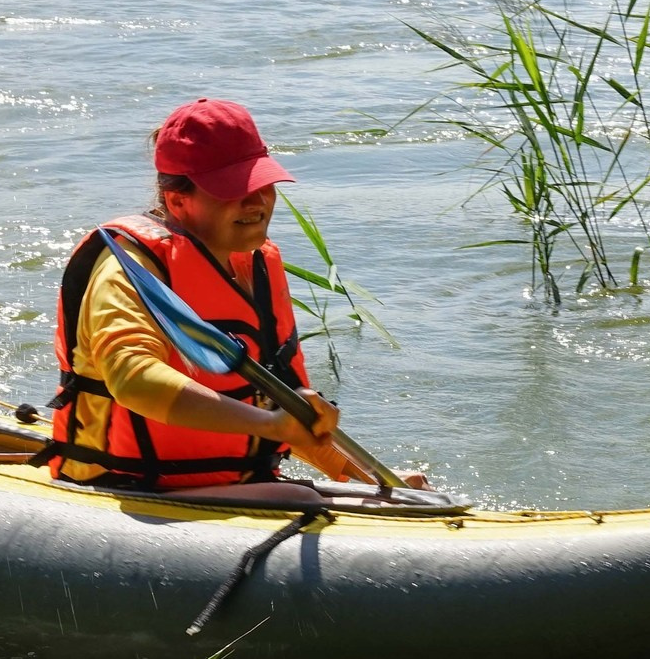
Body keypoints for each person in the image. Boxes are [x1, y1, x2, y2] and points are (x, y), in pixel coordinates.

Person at [39, 99, 390, 498]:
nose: (256, 202)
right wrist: (266, 425)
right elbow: (132, 379)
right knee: (296, 497)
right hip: (128, 486)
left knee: (319, 495)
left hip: (238, 486)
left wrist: (367, 480)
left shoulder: (258, 267)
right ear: (177, 200)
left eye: (261, 183)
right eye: (234, 190)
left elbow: (292, 420)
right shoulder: (130, 269)